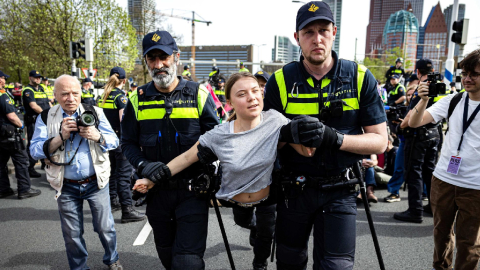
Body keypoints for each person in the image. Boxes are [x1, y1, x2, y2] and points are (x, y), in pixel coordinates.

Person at [133, 72, 317, 270]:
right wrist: (152, 180)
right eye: (242, 94)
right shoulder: (219, 135)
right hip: (234, 201)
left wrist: (309, 132)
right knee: (247, 223)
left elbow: (307, 152)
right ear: (229, 101)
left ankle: (259, 264)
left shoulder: (276, 120)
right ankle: (252, 227)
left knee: (266, 233)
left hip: (268, 197)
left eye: (256, 91)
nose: (252, 97)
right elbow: (187, 157)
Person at [263, 2, 388, 268]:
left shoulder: (360, 77)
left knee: (337, 266)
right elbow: (262, 139)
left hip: (340, 189)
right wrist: (288, 132)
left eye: (323, 30)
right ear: (297, 38)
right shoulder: (280, 80)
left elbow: (380, 140)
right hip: (294, 189)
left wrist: (336, 138)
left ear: (334, 32)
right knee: (289, 261)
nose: (317, 38)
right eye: (308, 32)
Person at [121, 30, 220, 269]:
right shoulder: (137, 99)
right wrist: (144, 166)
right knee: (168, 257)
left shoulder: (199, 94)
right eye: (152, 59)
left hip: (192, 192)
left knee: (187, 262)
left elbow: (216, 140)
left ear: (176, 56)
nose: (159, 64)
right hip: (156, 194)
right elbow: (128, 144)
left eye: (163, 57)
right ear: (146, 62)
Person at [29, 74, 123, 270]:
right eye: (64, 94)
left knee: (105, 228)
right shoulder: (46, 117)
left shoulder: (95, 112)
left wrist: (97, 136)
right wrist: (60, 137)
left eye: (75, 93)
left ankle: (112, 259)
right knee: (72, 234)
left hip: (96, 182)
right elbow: (34, 150)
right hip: (66, 185)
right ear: (54, 95)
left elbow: (114, 141)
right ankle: (79, 268)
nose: (70, 98)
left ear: (81, 94)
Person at [408, 48, 480, 270]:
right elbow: (413, 123)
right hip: (443, 180)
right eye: (464, 74)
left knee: (470, 245)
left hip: (475, 186)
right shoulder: (454, 100)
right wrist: (422, 100)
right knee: (441, 236)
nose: (466, 79)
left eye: (474, 74)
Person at [393, 58, 440, 223]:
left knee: (414, 172)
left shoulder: (422, 89)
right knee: (429, 172)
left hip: (418, 137)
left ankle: (415, 210)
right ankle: (434, 206)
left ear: (418, 72)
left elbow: (410, 117)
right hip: (434, 135)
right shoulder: (441, 88)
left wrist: (400, 127)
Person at [97, 66, 145, 223]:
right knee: (124, 175)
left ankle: (113, 201)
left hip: (105, 140)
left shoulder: (103, 97)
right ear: (124, 81)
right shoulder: (121, 97)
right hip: (119, 141)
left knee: (111, 173)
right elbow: (123, 121)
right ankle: (127, 210)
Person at [0, 70, 41, 199]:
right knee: (21, 161)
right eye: (3, 78)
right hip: (9, 133)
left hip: (1, 134)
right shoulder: (2, 95)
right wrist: (21, 125)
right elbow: (11, 116)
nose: (5, 81)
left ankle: (4, 189)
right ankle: (24, 189)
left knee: (1, 163)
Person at [22, 70, 51, 177]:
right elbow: (34, 106)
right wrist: (47, 115)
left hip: (45, 120)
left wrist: (53, 113)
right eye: (36, 77)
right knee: (34, 143)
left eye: (39, 77)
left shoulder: (42, 88)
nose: (38, 79)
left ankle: (44, 163)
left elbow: (47, 103)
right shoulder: (28, 90)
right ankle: (30, 167)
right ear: (30, 78)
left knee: (47, 140)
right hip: (34, 121)